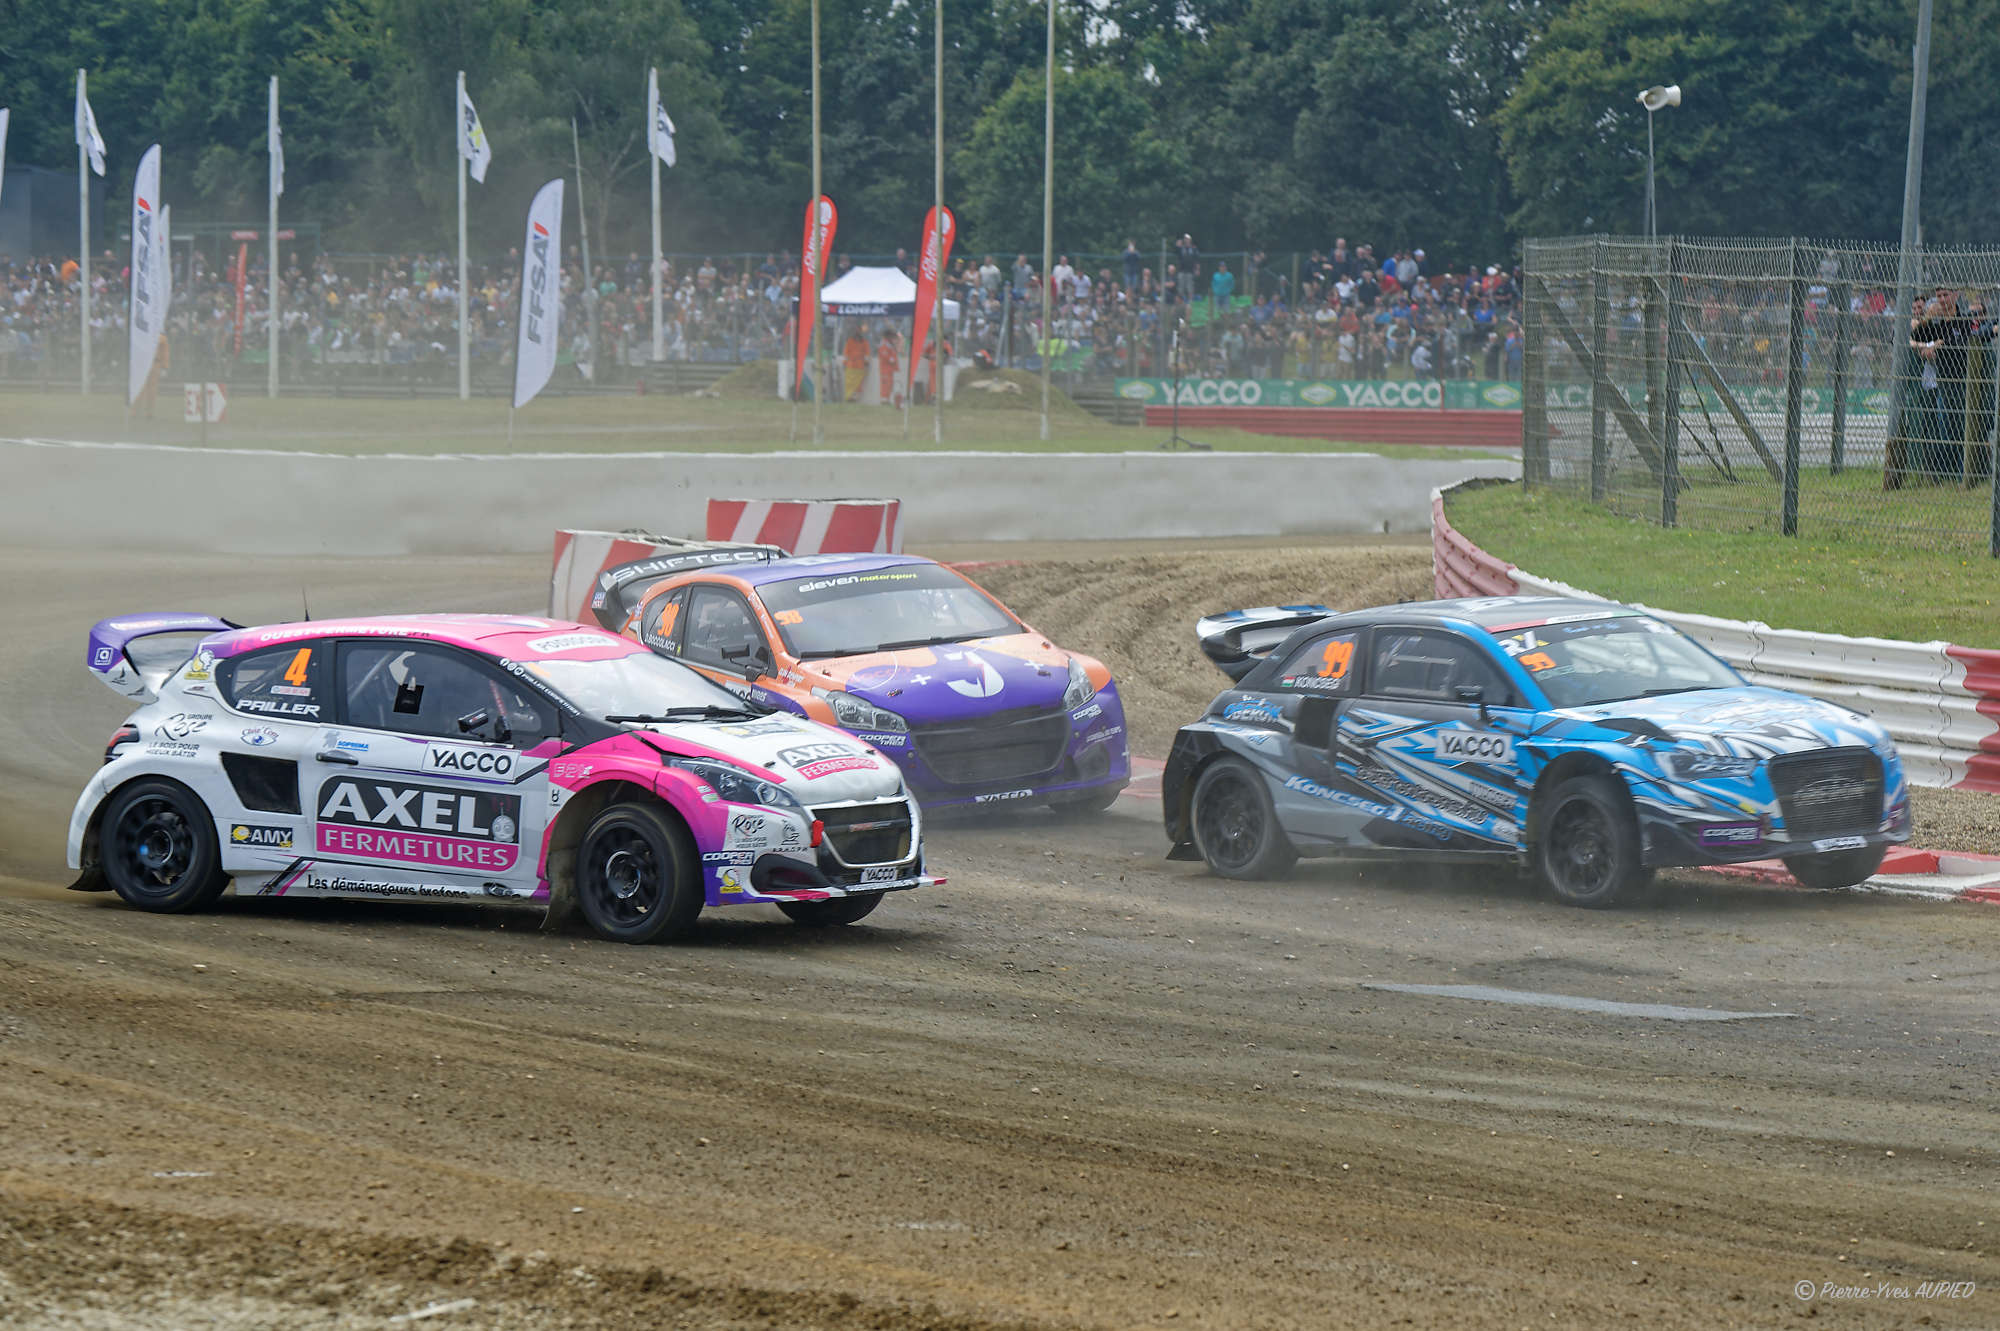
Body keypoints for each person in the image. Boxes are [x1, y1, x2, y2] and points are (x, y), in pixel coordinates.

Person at [842, 325, 869, 402]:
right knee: (849, 382)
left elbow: (867, 354)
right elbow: (846, 354)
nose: (857, 332)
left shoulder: (864, 342)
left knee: (858, 383)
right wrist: (844, 363)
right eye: (856, 330)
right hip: (850, 365)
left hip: (860, 366)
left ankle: (854, 398)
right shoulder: (849, 341)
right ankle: (849, 397)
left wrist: (866, 363)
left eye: (858, 331)